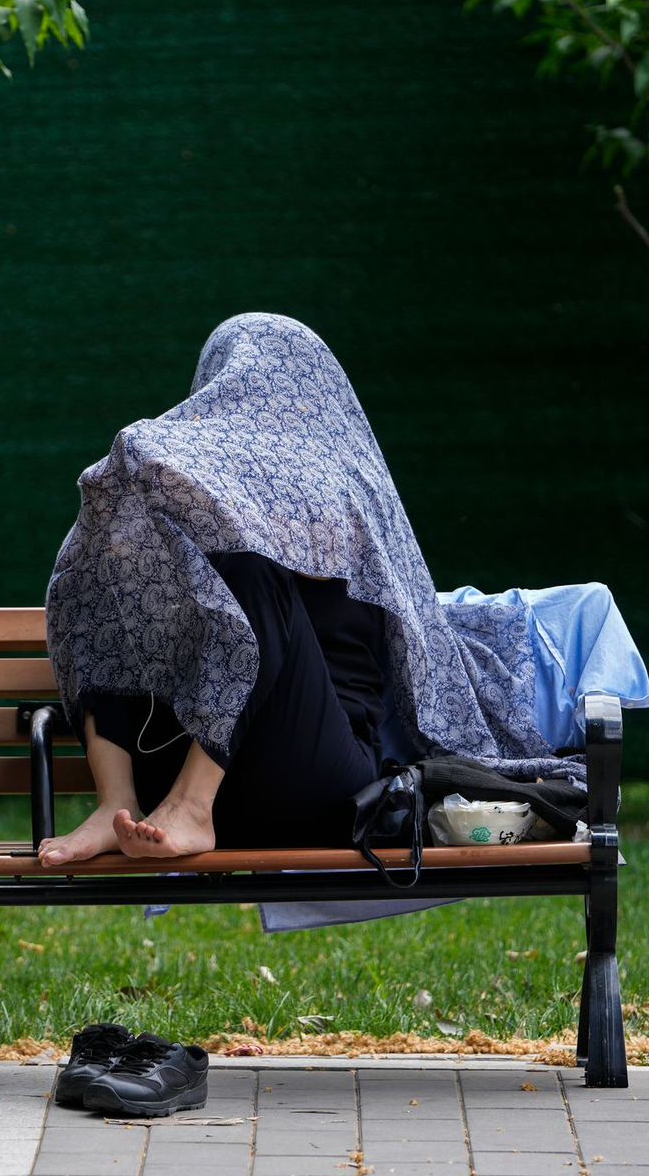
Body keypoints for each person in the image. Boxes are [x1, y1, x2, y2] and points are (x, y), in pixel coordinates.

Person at [39, 313, 626, 869]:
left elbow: (278, 554)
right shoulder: (204, 501)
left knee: (253, 570)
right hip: (193, 780)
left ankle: (195, 805)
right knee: (108, 561)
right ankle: (113, 803)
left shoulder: (344, 494)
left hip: (317, 775)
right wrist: (123, 502)